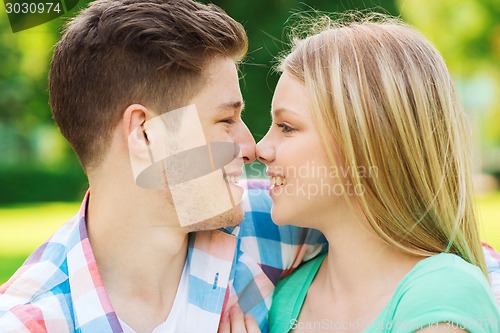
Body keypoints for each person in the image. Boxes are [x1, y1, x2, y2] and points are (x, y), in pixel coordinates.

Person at [0, 1, 328, 332]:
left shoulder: (271, 224)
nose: (250, 147)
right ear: (145, 133)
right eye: (226, 119)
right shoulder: (30, 322)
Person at [255, 14, 500, 333]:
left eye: (287, 127)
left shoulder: (442, 299)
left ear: (364, 141)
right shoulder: (284, 296)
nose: (261, 148)